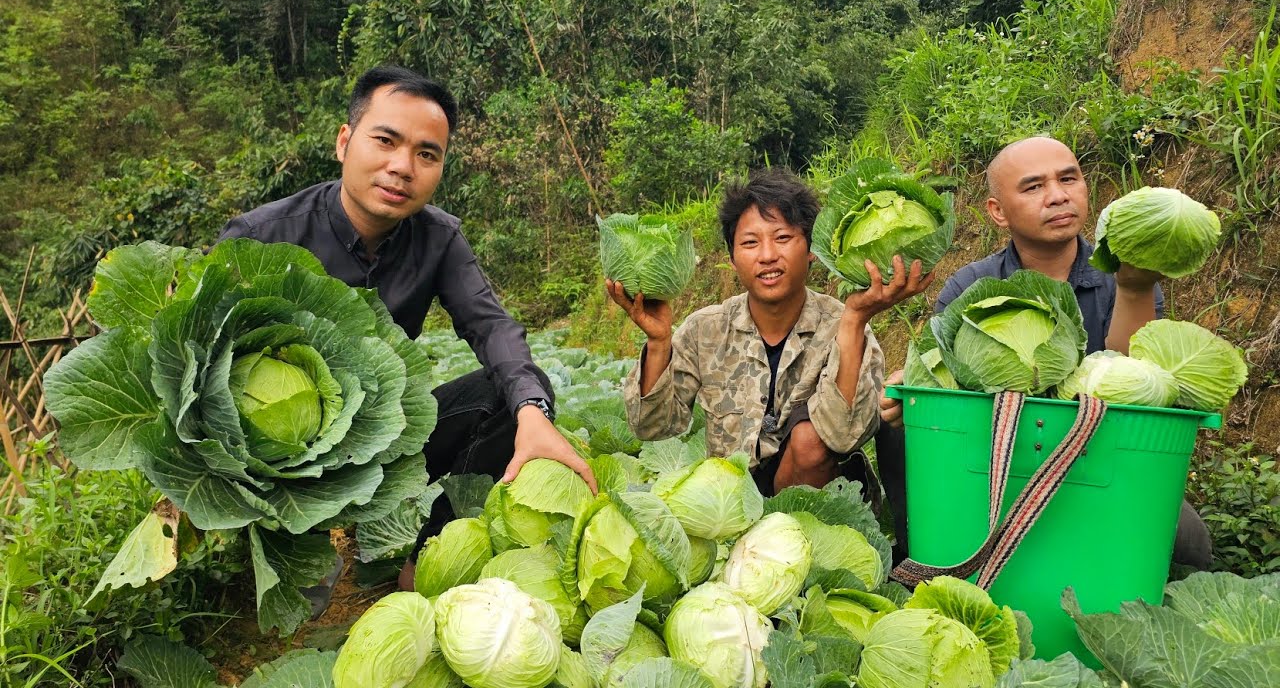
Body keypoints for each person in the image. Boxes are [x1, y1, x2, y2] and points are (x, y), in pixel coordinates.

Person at [219, 66, 595, 592]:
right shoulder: (261, 237)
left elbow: (492, 327)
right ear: (344, 141)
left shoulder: (438, 239)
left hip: (379, 442)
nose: (402, 167)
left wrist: (534, 412)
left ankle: (427, 559)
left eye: (426, 154)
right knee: (297, 600)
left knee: (511, 397)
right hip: (274, 462)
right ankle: (285, 542)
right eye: (386, 141)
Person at [877, 135, 1212, 567]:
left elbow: (1141, 385)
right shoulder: (970, 286)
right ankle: (923, 558)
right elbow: (948, 379)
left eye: (1069, 179)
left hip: (1099, 457)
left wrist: (1134, 286)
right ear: (997, 212)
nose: (1058, 196)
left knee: (1189, 541)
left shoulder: (1124, 279)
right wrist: (915, 390)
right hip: (996, 458)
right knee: (894, 427)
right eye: (1034, 187)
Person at [609, 168, 932, 498]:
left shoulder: (842, 324)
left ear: (811, 250)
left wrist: (854, 321)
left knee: (809, 440)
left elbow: (843, 435)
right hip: (733, 505)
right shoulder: (704, 329)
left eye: (782, 238)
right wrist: (659, 341)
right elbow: (653, 426)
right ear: (732, 258)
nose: (766, 256)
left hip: (822, 509)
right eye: (750, 243)